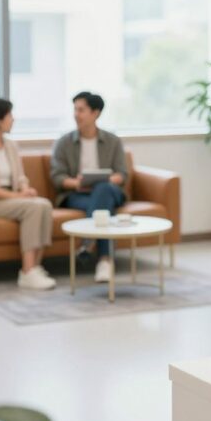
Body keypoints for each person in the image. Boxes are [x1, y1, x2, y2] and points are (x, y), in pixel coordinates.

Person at [0, 98, 56, 290]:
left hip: (13, 198)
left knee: (44, 204)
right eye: (10, 115)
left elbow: (20, 176)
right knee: (33, 207)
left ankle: (36, 266)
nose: (13, 119)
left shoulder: (11, 146)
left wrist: (25, 189)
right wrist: (18, 197)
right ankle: (27, 271)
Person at [51, 92, 128, 283]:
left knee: (103, 189)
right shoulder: (64, 142)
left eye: (81, 110)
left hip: (108, 190)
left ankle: (88, 242)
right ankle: (105, 260)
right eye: (75, 110)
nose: (76, 114)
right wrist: (76, 183)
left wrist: (108, 179)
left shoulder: (112, 141)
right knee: (104, 207)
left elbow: (122, 174)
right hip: (78, 195)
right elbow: (57, 177)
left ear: (96, 113)